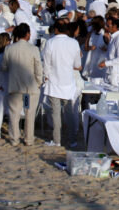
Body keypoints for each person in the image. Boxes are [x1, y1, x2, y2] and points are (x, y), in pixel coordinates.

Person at [1, 23, 43, 146]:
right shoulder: (33, 49)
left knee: (14, 114)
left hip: (15, 87)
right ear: (27, 34)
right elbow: (38, 68)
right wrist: (39, 82)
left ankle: (14, 139)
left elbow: (4, 67)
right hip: (29, 88)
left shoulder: (9, 48)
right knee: (29, 114)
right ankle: (29, 139)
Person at [42, 20, 82, 148]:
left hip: (54, 81)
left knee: (55, 113)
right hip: (68, 82)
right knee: (69, 112)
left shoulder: (51, 42)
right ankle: (72, 139)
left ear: (56, 30)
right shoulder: (74, 43)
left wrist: (45, 76)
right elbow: (77, 64)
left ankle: (57, 140)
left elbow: (46, 64)